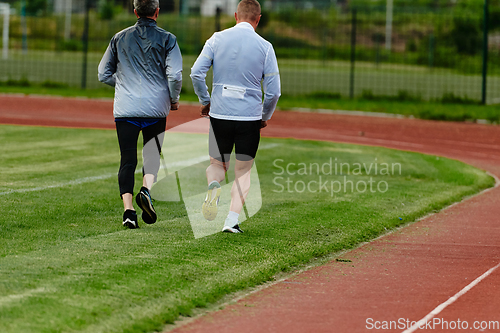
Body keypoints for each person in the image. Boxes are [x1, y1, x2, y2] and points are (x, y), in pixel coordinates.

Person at [190, 0, 280, 233]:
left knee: (217, 165)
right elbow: (274, 92)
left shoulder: (217, 39)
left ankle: (213, 185)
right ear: (258, 19)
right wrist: (264, 115)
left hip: (220, 114)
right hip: (249, 117)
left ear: (235, 15)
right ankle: (231, 220)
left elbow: (196, 73)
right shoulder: (265, 46)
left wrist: (206, 101)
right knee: (243, 172)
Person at [98, 0, 182, 229]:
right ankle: (145, 191)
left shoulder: (119, 38)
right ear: (157, 11)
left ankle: (128, 211)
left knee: (127, 159)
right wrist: (173, 99)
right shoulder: (168, 39)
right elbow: (175, 75)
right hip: (156, 107)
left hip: (126, 107)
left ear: (134, 11)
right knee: (152, 155)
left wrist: (123, 84)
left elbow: (102, 73)